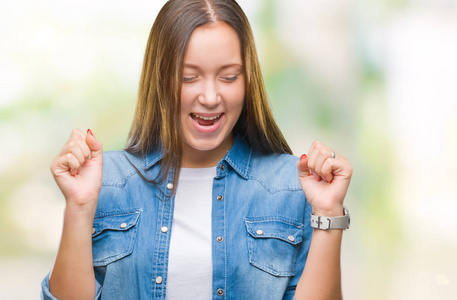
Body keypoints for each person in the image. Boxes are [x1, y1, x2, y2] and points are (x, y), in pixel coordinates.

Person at [41, 0, 353, 299]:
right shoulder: (106, 182)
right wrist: (79, 208)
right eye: (189, 77)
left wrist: (328, 213)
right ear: (159, 78)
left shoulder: (291, 186)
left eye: (229, 77)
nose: (210, 96)